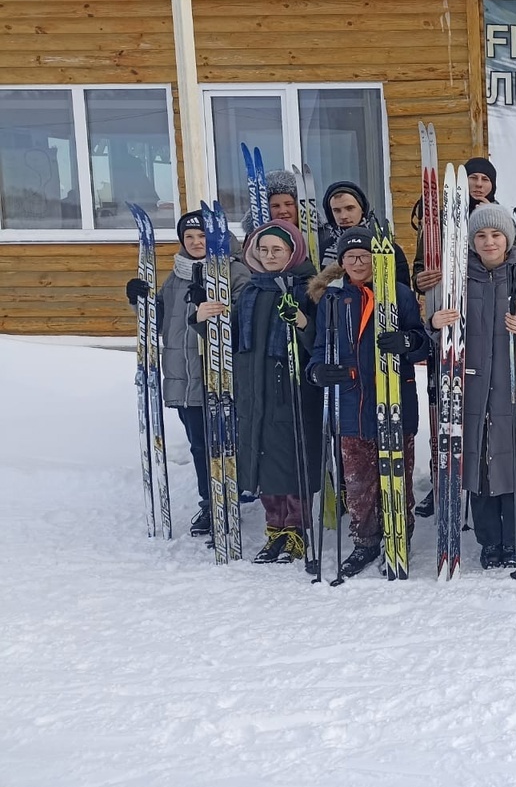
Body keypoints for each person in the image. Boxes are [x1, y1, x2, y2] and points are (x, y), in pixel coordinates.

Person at [428, 205, 516, 568]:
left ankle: (514, 539)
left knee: (513, 462)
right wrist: (435, 323)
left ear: (508, 238)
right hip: (471, 391)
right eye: (481, 236)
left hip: (513, 387)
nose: (489, 241)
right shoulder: (456, 281)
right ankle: (488, 541)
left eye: (496, 235)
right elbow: (433, 332)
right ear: (472, 241)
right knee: (478, 468)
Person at [306, 227, 433, 578]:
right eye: (352, 257)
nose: (359, 262)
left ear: (379, 260)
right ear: (342, 262)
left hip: (395, 403)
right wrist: (318, 372)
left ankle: (399, 534)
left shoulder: (400, 295)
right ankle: (364, 541)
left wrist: (407, 341)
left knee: (397, 478)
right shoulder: (332, 301)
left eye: (366, 256)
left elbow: (424, 343)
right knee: (359, 484)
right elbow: (318, 350)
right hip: (350, 405)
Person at [124, 210, 249, 537]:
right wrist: (141, 301)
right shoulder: (176, 276)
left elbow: (241, 315)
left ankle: (230, 496)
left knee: (222, 443)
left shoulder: (235, 271)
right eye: (189, 237)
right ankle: (209, 503)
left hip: (218, 373)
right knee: (198, 444)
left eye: (202, 236)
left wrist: (210, 302)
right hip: (183, 375)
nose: (195, 242)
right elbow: (159, 317)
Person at [231, 219, 321, 566]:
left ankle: (296, 530)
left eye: (277, 250)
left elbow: (321, 342)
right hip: (255, 392)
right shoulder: (251, 292)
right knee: (265, 462)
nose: (269, 256)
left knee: (293, 461)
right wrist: (204, 318)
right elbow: (231, 338)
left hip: (293, 390)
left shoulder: (307, 290)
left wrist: (302, 322)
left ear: (292, 252)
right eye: (263, 250)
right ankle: (275, 529)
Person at [318, 181, 410, 286]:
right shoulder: (324, 249)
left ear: (362, 209)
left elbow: (403, 290)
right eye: (337, 210)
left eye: (350, 208)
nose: (343, 216)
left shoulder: (385, 246)